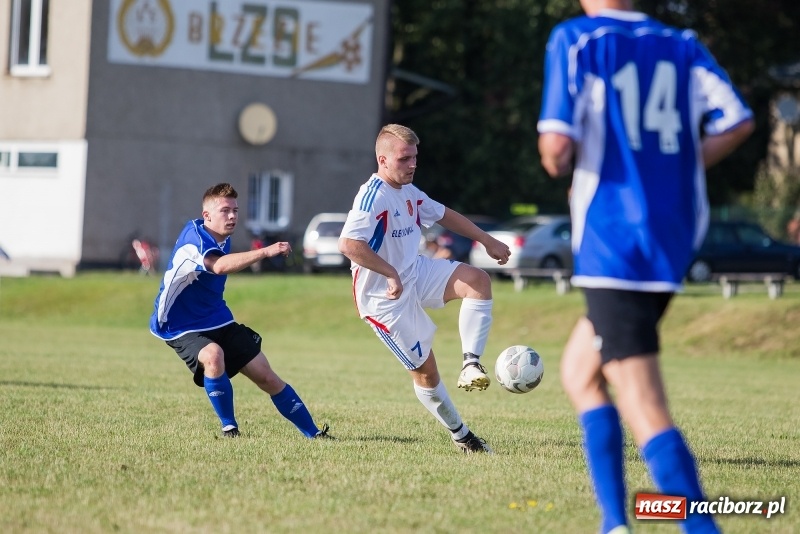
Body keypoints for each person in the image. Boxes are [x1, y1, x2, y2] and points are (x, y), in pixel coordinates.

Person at [537, 1, 754, 533]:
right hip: (672, 233)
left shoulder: (579, 39)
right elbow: (737, 119)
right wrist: (675, 163)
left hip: (616, 240)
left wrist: (563, 159)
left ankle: (702, 527)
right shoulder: (682, 44)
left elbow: (557, 149)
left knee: (641, 401)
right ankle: (615, 523)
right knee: (579, 373)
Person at [338, 124, 511, 453]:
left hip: (414, 272)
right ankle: (462, 435)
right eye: (404, 159)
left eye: (415, 157)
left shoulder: (410, 192)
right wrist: (389, 273)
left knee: (478, 281)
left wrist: (487, 240)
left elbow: (445, 214)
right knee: (427, 374)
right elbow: (348, 244)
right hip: (384, 301)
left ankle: (471, 363)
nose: (412, 164)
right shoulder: (373, 196)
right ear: (383, 160)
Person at [149, 183, 330, 439]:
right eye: (225, 211)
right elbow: (219, 266)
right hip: (179, 324)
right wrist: (266, 251)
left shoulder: (223, 234)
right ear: (207, 216)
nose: (233, 216)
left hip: (217, 318)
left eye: (235, 210)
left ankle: (315, 434)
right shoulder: (195, 240)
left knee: (266, 375)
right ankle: (230, 429)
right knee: (213, 356)